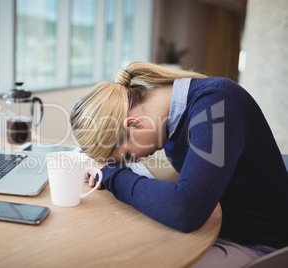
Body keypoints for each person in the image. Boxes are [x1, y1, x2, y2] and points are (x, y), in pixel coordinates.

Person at [69, 61, 288, 267]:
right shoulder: (169, 114)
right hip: (214, 224)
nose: (131, 161)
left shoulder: (217, 104)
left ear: (134, 124)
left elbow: (186, 210)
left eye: (126, 156)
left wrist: (113, 175)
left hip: (254, 242)